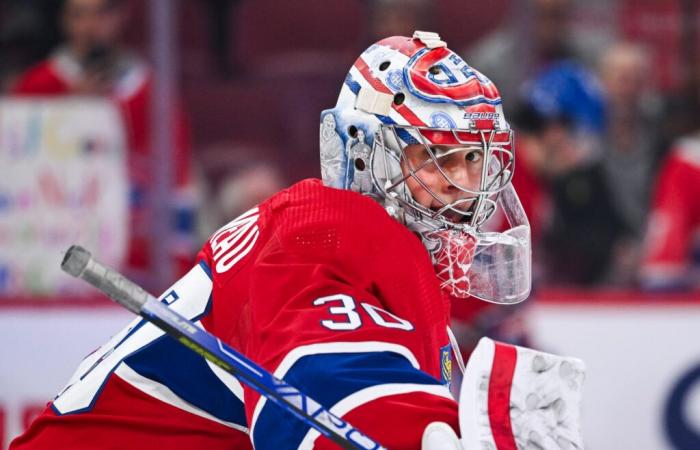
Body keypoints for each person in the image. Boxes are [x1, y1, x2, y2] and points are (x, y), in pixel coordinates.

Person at [12, 32, 580, 450]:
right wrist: (419, 432)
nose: (464, 187)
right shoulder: (320, 241)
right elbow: (340, 387)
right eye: (436, 159)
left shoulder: (355, 242)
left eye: (474, 159)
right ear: (365, 156)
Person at [11, 0, 194, 291]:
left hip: (134, 263)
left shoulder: (151, 93)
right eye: (78, 15)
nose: (90, 26)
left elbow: (176, 184)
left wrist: (177, 269)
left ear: (121, 17)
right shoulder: (36, 88)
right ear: (64, 21)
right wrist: (68, 114)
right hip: (50, 255)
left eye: (101, 14)